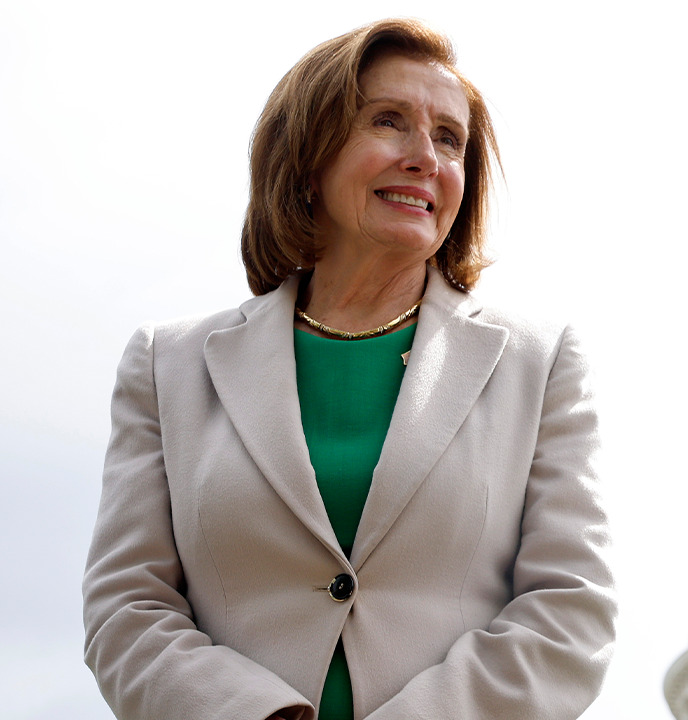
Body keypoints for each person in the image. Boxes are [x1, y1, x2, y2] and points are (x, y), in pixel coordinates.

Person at [82, 18, 616, 720]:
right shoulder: (166, 366)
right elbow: (126, 610)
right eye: (388, 122)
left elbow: (570, 614)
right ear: (309, 155)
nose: (425, 157)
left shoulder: (539, 365)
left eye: (449, 139)